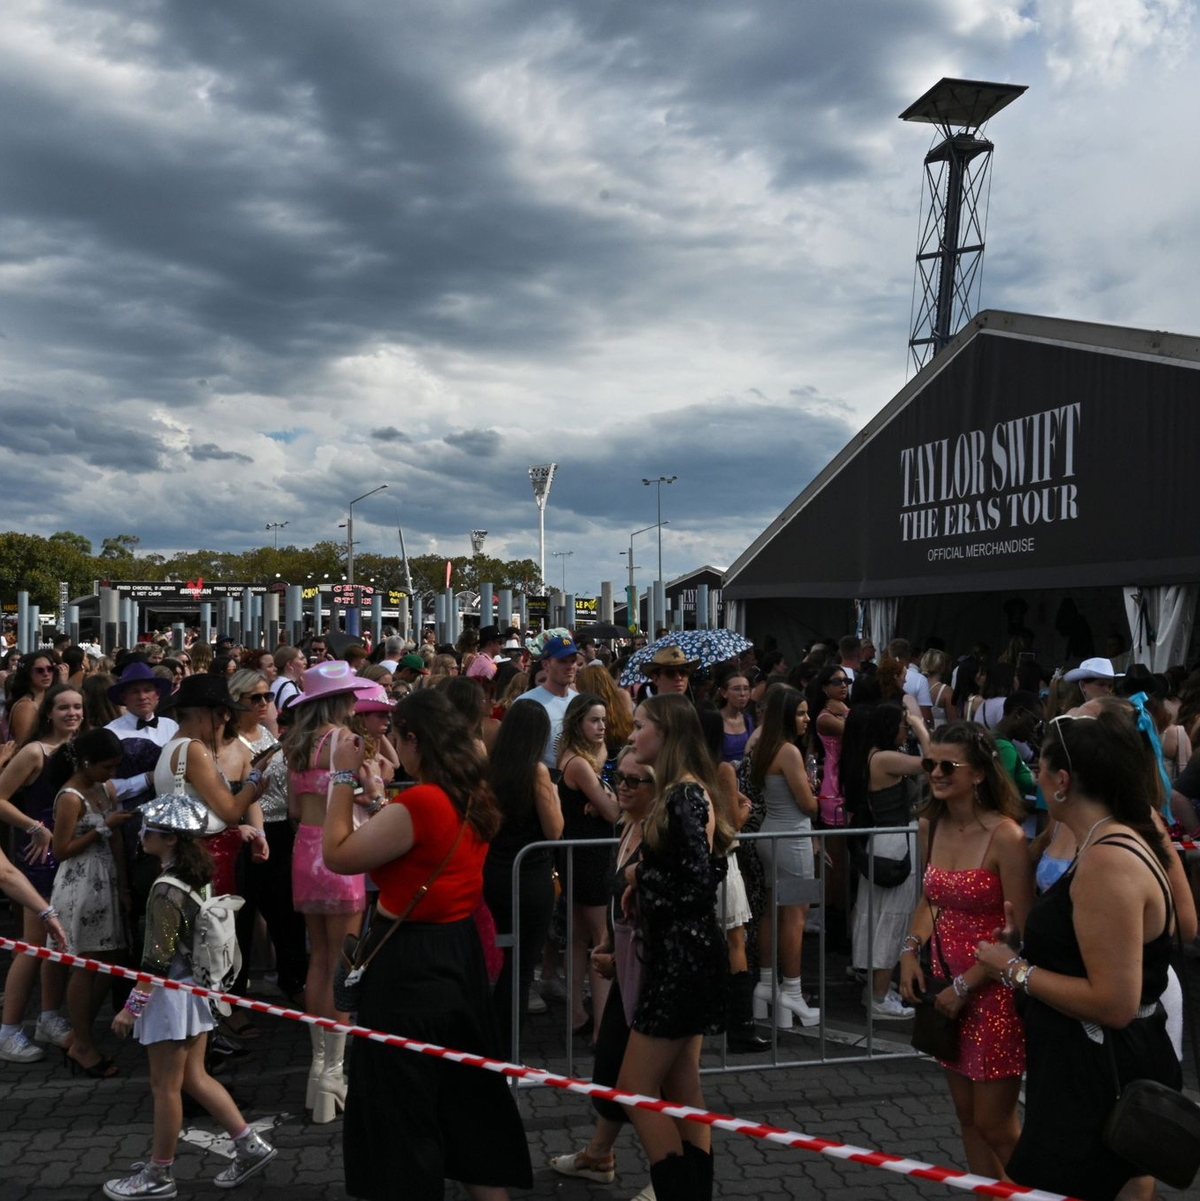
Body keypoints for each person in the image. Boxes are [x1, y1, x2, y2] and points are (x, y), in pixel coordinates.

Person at [974, 708, 1193, 1200]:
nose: (1032, 779)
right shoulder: (1107, 842)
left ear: (1063, 780)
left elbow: (1114, 1002)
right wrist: (1024, 948)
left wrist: (1013, 970)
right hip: (1086, 1063)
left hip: (1097, 1070)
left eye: (1039, 769)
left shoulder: (1107, 860)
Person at [322, 689, 533, 1200]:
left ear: (415, 740)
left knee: (402, 1105)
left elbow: (337, 854)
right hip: (459, 952)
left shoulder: (421, 801)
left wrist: (343, 776)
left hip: (410, 963)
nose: (393, 745)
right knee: (468, 1099)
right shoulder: (474, 794)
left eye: (397, 737)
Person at [104, 792, 277, 1200]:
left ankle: (159, 1175)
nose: (142, 833)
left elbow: (156, 960)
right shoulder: (194, 874)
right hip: (195, 992)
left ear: (169, 840)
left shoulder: (164, 889)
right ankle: (249, 1146)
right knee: (195, 1078)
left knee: (165, 1087)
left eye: (150, 830)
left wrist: (131, 1008)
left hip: (169, 998)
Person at [900, 722, 1034, 1181]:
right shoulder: (930, 826)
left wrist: (967, 984)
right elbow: (930, 898)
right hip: (945, 991)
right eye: (929, 763)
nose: (935, 773)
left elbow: (1019, 932)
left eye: (947, 765)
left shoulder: (1007, 837)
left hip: (992, 992)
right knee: (967, 1120)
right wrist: (908, 950)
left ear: (978, 774)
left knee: (996, 1124)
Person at [616, 695, 730, 1201]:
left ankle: (677, 1192)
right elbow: (708, 867)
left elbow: (697, 885)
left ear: (665, 734)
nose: (633, 735)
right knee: (683, 1091)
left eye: (640, 726)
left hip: (682, 959)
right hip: (686, 954)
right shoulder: (684, 792)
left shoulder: (684, 795)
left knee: (634, 1090)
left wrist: (644, 879)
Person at [549, 747, 658, 1199]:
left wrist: (627, 951)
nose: (624, 788)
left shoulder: (660, 832)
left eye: (637, 781)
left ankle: (666, 1179)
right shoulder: (629, 827)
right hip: (629, 969)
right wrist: (612, 946)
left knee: (650, 1084)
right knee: (611, 1062)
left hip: (657, 976)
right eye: (621, 779)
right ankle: (599, 1154)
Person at [281, 660, 371, 1123]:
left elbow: (296, 809)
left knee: (319, 957)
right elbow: (360, 798)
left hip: (305, 851)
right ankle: (334, 1073)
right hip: (339, 851)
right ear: (340, 700)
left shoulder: (294, 746)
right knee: (344, 962)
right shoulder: (347, 742)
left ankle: (320, 1070)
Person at [0, 683, 84, 1062]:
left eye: (77, 707)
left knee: (59, 945)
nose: (72, 713)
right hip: (39, 858)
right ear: (48, 713)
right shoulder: (34, 752)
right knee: (32, 947)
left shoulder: (81, 749)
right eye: (63, 707)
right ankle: (8, 1030)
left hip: (73, 855)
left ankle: (49, 1018)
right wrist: (35, 826)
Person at [48, 729, 133, 1076]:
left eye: (115, 767)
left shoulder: (105, 789)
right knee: (86, 962)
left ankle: (79, 1033)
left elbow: (116, 843)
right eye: (106, 767)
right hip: (79, 884)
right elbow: (60, 850)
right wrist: (101, 828)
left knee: (109, 957)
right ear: (86, 762)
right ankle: (82, 1042)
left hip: (107, 880)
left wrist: (124, 887)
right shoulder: (69, 797)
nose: (112, 774)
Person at [482, 700, 563, 1058]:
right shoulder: (536, 772)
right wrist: (555, 798)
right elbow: (554, 830)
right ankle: (505, 1050)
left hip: (496, 872)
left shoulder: (490, 770)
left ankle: (497, 1042)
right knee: (522, 965)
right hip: (530, 875)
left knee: (508, 960)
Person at [843, 700, 929, 1019]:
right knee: (892, 918)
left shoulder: (872, 756)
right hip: (894, 842)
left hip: (885, 841)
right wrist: (921, 727)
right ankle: (878, 997)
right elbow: (935, 763)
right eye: (903, 726)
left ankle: (877, 990)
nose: (906, 731)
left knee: (882, 915)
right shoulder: (885, 758)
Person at [747, 685, 820, 1028]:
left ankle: (766, 985)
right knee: (795, 916)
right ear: (786, 716)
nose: (808, 719)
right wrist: (817, 797)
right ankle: (791, 991)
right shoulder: (789, 750)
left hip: (772, 836)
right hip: (793, 840)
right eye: (802, 713)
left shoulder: (763, 744)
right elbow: (808, 805)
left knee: (772, 912)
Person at [557, 692, 620, 1041]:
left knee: (581, 937)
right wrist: (607, 800)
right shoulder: (579, 763)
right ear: (577, 722)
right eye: (594, 720)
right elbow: (613, 810)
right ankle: (601, 1027)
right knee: (600, 939)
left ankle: (577, 1015)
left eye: (604, 720)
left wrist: (606, 798)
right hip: (589, 856)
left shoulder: (591, 757)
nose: (601, 727)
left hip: (582, 854)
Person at [511, 634, 579, 766]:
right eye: (562, 661)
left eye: (573, 661)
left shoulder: (579, 701)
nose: (570, 666)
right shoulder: (526, 703)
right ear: (546, 665)